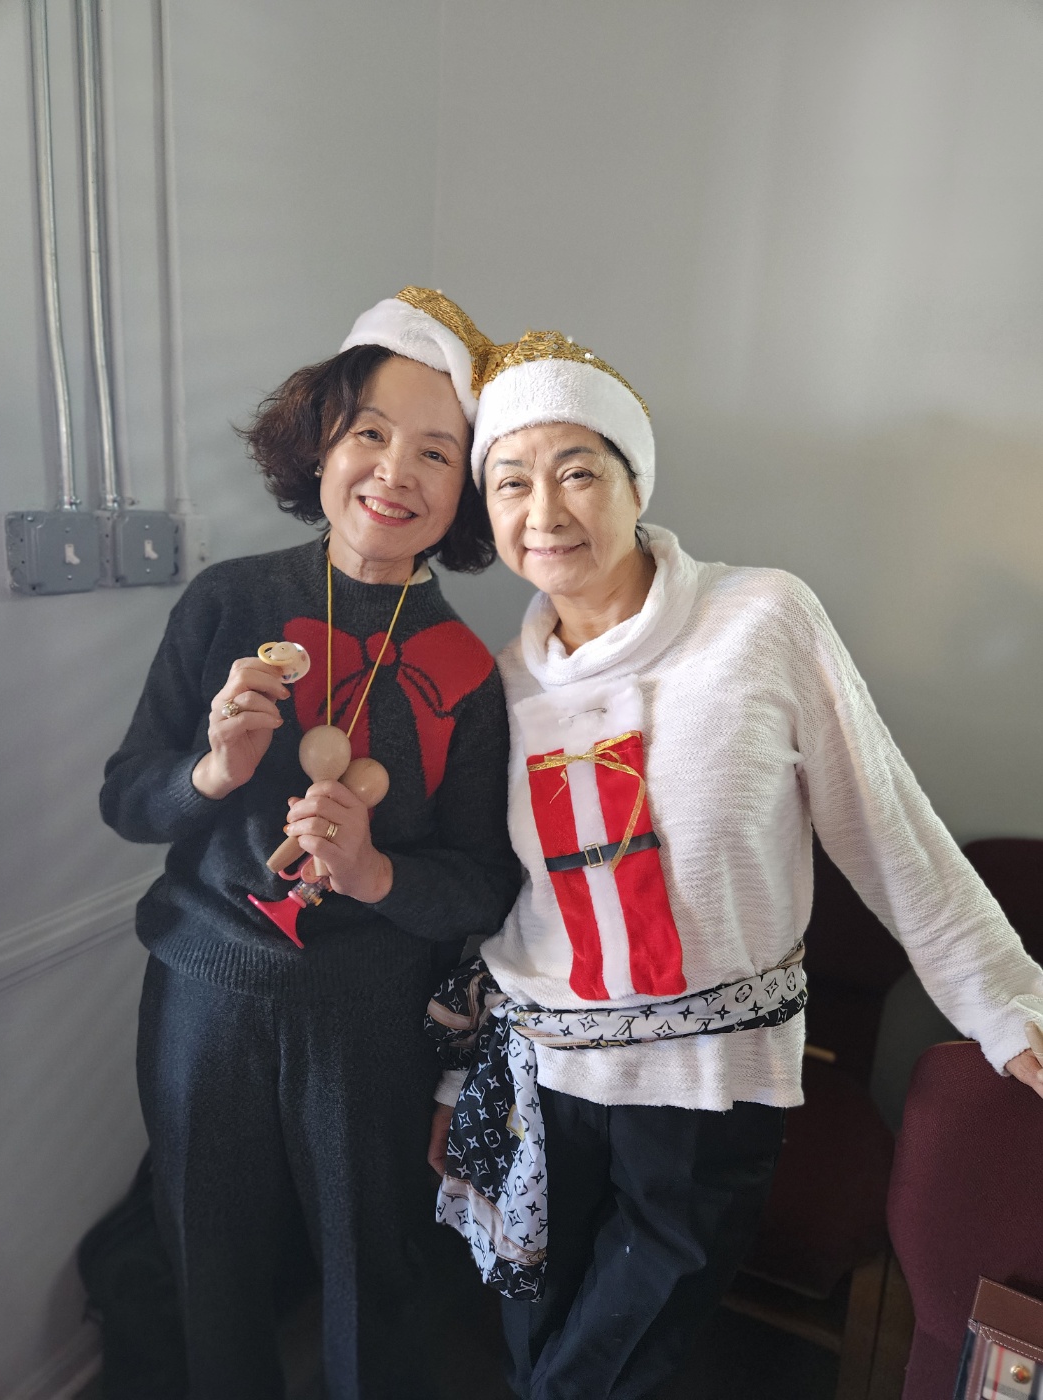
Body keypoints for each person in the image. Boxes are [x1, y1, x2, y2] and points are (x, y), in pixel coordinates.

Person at [426, 328, 1043, 1400]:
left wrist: (1006, 1003)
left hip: (706, 1081)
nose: (545, 510)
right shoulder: (501, 687)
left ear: (635, 480)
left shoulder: (760, 620)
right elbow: (496, 904)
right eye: (511, 481)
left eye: (578, 470)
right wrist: (451, 1077)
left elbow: (889, 829)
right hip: (543, 1075)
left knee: (604, 1364)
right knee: (535, 1343)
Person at [100, 288, 521, 1400]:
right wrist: (210, 773)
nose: (395, 471)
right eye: (370, 433)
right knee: (209, 1269)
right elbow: (127, 798)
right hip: (204, 997)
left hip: (369, 1021)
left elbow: (485, 886)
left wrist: (377, 874)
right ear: (321, 442)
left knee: (374, 1278)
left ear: (469, 490)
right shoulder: (228, 603)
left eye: (438, 452)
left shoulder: (470, 671)